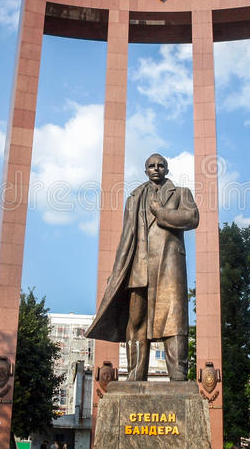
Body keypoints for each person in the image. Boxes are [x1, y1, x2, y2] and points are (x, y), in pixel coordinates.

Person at [86, 153, 199, 380]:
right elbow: (126, 237)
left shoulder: (181, 193)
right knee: (136, 322)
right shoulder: (134, 198)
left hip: (169, 265)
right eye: (151, 166)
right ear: (145, 170)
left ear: (167, 169)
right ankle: (136, 375)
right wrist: (117, 272)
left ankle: (178, 376)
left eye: (160, 165)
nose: (156, 168)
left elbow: (192, 218)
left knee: (174, 321)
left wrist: (161, 213)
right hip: (139, 266)